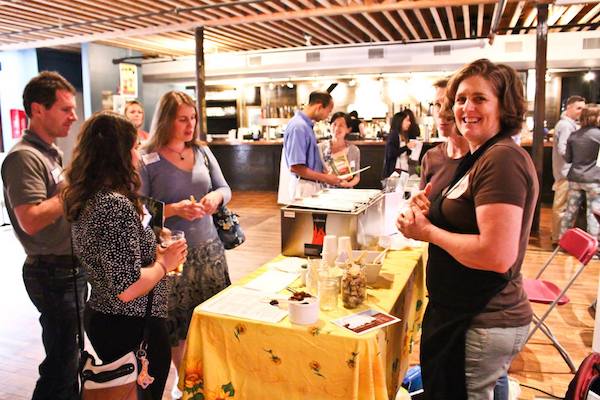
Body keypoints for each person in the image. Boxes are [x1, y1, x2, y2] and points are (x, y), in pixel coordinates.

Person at [397, 59, 538, 399]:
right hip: (464, 313)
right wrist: (431, 212)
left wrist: (428, 232)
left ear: (504, 106)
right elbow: (470, 218)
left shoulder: (501, 159)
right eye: (460, 99)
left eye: (479, 99)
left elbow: (496, 255)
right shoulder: (480, 156)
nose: (465, 108)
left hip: (482, 317)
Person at [64, 111, 187, 400]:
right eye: (133, 147)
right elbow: (127, 288)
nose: (138, 153)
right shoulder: (113, 205)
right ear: (117, 154)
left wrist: (152, 250)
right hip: (130, 323)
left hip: (110, 318)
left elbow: (117, 260)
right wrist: (163, 263)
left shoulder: (90, 196)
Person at [139, 90, 232, 399]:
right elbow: (138, 209)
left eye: (193, 118)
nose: (190, 125)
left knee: (210, 319)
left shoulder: (203, 152)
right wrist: (173, 210)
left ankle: (210, 378)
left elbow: (224, 188)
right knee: (177, 327)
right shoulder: (147, 158)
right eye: (182, 119)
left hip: (210, 251)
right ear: (166, 119)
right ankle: (186, 385)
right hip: (172, 257)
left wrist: (215, 198)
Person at [1, 71, 86, 400]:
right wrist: (75, 188)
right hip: (53, 272)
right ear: (38, 109)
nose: (74, 116)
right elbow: (31, 220)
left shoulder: (50, 152)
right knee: (61, 364)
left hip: (67, 268)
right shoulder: (24, 157)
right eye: (66, 109)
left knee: (70, 357)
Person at [279, 90, 349, 203]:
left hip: (310, 184)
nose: (327, 116)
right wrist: (326, 178)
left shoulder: (305, 125)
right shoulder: (299, 127)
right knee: (305, 221)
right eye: (328, 112)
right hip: (304, 186)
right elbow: (296, 167)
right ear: (319, 107)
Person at [418, 78, 470, 200]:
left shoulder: (483, 158)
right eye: (437, 105)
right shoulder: (430, 158)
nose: (441, 113)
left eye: (448, 104)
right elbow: (421, 204)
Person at [560, 106, 600, 241]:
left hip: (575, 178)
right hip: (594, 180)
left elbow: (568, 158)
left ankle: (563, 242)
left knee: (570, 212)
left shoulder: (574, 135)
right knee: (592, 214)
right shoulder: (598, 135)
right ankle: (593, 248)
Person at [551, 95, 586, 244]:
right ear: (569, 107)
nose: (581, 112)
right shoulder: (565, 125)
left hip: (565, 171)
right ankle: (558, 239)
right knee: (561, 206)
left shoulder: (569, 124)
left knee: (563, 206)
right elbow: (563, 149)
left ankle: (559, 237)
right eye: (579, 108)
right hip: (565, 172)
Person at [318, 112, 361, 188]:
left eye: (341, 125)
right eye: (334, 124)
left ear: (348, 129)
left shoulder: (354, 150)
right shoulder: (320, 148)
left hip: (346, 192)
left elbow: (357, 177)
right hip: (325, 191)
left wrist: (347, 184)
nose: (337, 128)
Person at [382, 109, 419, 178]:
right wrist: (406, 147)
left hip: (403, 170)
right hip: (395, 172)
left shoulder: (403, 135)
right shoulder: (394, 135)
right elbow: (391, 153)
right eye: (407, 120)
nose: (409, 123)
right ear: (400, 121)